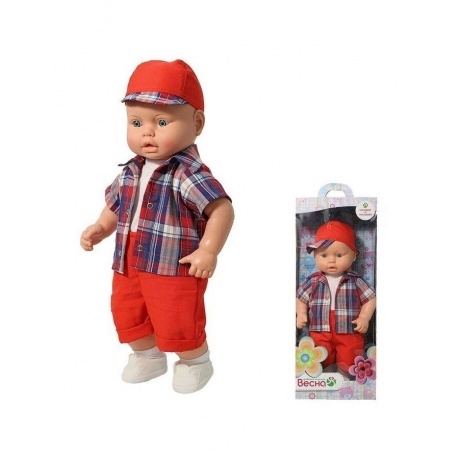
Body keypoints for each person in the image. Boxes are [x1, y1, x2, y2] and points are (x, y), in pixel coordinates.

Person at [80, 59, 234, 393]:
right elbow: (116, 205)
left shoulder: (187, 173)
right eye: (136, 122)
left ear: (196, 123)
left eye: (162, 121)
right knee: (128, 311)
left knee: (177, 316)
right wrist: (101, 226)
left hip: (172, 263)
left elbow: (221, 210)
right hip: (128, 259)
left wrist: (208, 250)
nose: (147, 132)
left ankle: (195, 362)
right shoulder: (130, 170)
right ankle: (147, 356)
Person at [296, 220, 376, 374]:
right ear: (315, 255)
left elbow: (370, 298)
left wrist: (364, 318)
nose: (331, 260)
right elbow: (300, 298)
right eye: (324, 255)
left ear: (354, 255)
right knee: (320, 359)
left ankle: (346, 378)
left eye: (339, 255)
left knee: (350, 360)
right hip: (320, 330)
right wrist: (301, 313)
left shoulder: (355, 280)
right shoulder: (313, 281)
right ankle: (324, 377)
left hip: (349, 330)